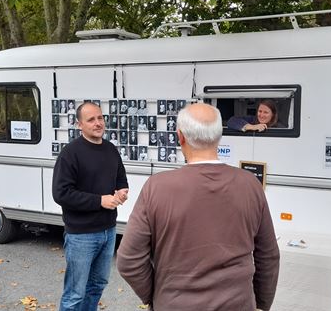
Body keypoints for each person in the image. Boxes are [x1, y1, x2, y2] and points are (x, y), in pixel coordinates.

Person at [117, 103, 279, 311]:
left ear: (180, 136)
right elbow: (268, 256)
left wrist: (156, 295)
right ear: (219, 136)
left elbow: (128, 260)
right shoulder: (250, 185)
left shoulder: (157, 187)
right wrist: (261, 304)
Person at [52, 102, 129, 311]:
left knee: (97, 286)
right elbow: (61, 193)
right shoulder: (70, 153)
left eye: (100, 118)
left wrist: (122, 191)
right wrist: (99, 201)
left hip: (108, 231)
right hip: (81, 235)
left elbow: (121, 178)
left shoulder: (110, 149)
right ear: (79, 125)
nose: (98, 123)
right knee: (75, 294)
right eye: (91, 119)